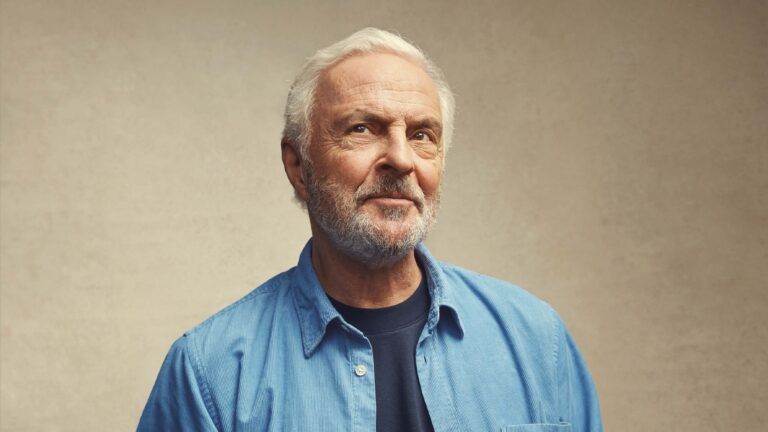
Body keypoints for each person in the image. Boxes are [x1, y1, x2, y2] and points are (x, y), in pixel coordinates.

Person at [138, 28, 602, 432]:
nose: (400, 158)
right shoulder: (209, 374)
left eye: (422, 135)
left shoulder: (539, 342)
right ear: (299, 166)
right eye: (363, 128)